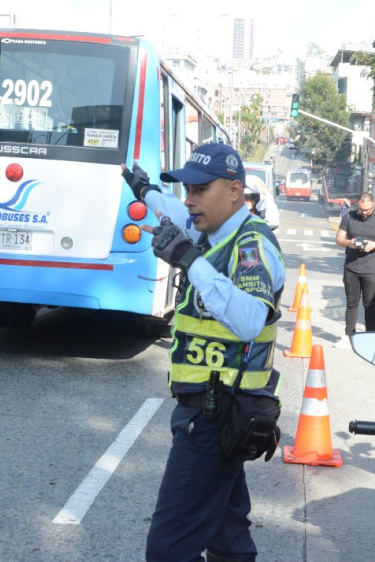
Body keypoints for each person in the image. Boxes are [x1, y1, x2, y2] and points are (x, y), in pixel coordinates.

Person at [121, 143, 286, 562]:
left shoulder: (250, 246)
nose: (190, 200)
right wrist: (146, 192)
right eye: (186, 189)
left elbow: (250, 318)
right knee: (228, 540)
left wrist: (189, 259)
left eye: (199, 189)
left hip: (215, 417)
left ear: (234, 190)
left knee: (168, 548)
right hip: (214, 412)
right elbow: (176, 214)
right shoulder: (209, 229)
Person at [334, 192, 375, 347]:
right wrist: (350, 242)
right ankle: (349, 336)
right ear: (357, 205)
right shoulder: (349, 217)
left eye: (367, 210)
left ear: (373, 204)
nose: (364, 213)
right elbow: (339, 239)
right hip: (352, 268)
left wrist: (374, 245)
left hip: (372, 269)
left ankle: (370, 336)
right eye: (361, 209)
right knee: (352, 303)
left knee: (370, 304)